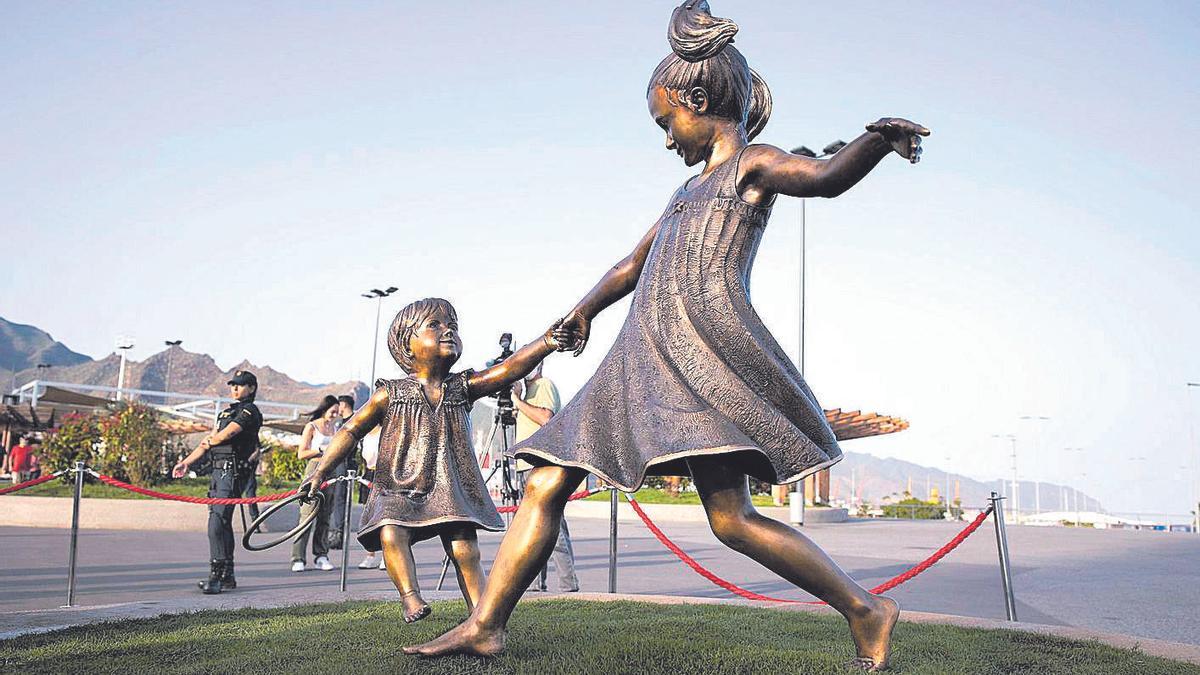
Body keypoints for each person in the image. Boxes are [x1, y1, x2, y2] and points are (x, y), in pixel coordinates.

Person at [406, 2, 927, 669]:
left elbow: (824, 179)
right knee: (546, 480)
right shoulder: (685, 191)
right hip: (639, 352)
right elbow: (631, 262)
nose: (665, 137)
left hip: (702, 350)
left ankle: (865, 606)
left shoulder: (754, 166)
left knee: (730, 518)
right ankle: (486, 625)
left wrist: (876, 141)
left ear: (700, 100)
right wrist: (583, 310)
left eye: (666, 120)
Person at [299, 297, 562, 622]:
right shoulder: (390, 393)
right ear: (407, 344)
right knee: (391, 532)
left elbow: (508, 370)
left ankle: (483, 618)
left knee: (465, 548)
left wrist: (548, 341)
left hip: (450, 486)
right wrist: (320, 470)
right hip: (399, 486)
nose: (448, 330)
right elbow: (351, 430)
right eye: (435, 325)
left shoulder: (462, 387)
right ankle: (410, 596)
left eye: (452, 325)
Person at [172, 370, 264, 594]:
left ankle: (217, 575)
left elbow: (227, 435)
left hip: (232, 473)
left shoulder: (250, 411)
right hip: (217, 472)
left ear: (251, 388)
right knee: (221, 524)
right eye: (233, 385)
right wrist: (186, 462)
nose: (235, 389)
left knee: (216, 523)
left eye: (240, 385)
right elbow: (208, 442)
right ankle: (227, 575)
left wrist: (211, 440)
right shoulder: (226, 413)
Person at [512, 363, 578, 592]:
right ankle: (535, 583)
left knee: (554, 529)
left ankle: (568, 584)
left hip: (541, 466)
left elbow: (546, 418)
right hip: (525, 466)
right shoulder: (526, 391)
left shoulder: (544, 385)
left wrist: (519, 402)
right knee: (532, 529)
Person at [290, 395, 342, 572]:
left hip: (331, 470)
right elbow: (301, 453)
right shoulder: (312, 426)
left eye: (337, 411)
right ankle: (298, 558)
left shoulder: (335, 428)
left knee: (325, 515)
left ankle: (321, 555)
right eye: (333, 410)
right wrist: (321, 449)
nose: (335, 414)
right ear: (325, 408)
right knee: (307, 515)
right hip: (314, 469)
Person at [326, 394, 357, 550]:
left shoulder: (354, 421)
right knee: (335, 500)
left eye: (339, 405)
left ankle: (338, 535)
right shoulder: (341, 423)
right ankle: (335, 533)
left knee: (340, 500)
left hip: (345, 464)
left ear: (343, 405)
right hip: (339, 464)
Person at [355, 427, 385, 570]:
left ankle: (387, 555)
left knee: (385, 516)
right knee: (369, 517)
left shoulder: (385, 431)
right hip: (368, 474)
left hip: (384, 474)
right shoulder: (365, 435)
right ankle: (370, 555)